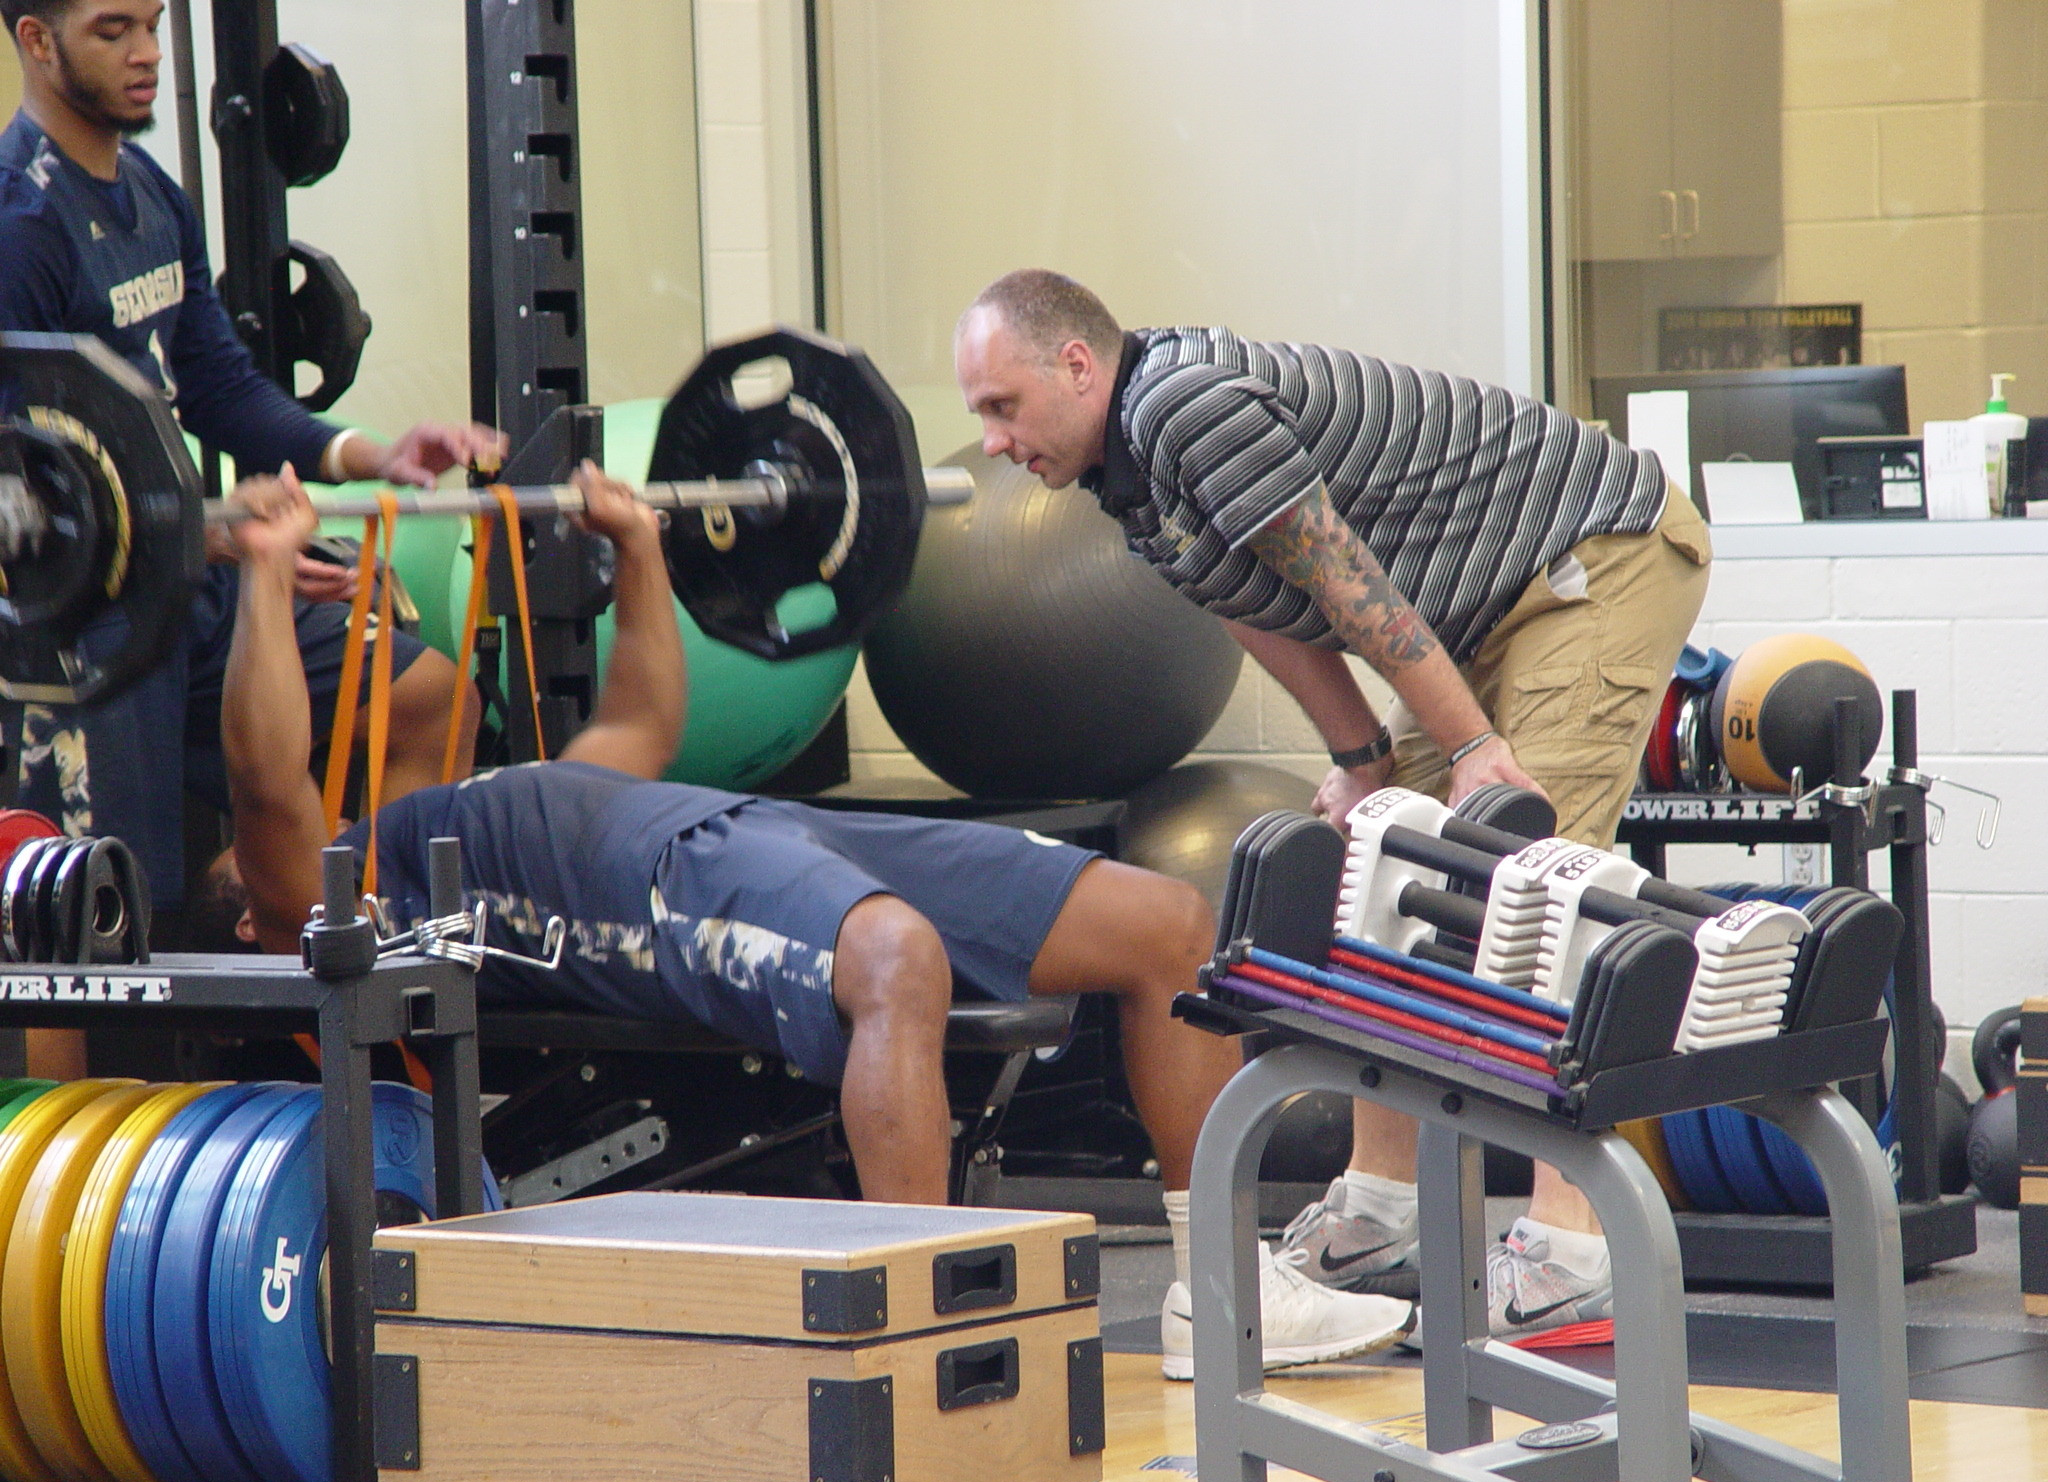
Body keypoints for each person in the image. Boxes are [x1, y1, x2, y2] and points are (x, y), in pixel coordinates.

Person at [208, 462, 1417, 1380]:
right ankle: (928, 1323)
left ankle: (1217, 1290)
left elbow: (639, 725)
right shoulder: (341, 893)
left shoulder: (468, 808)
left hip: (738, 825)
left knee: (1164, 920)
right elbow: (267, 782)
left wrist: (634, 547)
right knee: (898, 955)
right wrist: (266, 573)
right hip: (648, 890)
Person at [954, 269, 1712, 1340]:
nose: (989, 441)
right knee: (1383, 857)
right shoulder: (1121, 473)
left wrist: (1476, 749)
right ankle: (1379, 1209)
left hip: (1589, 551)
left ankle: (1573, 1245)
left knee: (1544, 878)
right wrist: (1361, 758)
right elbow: (1262, 606)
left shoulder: (1185, 406)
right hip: (1477, 602)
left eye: (998, 406)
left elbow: (1341, 574)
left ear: (1075, 366)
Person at [0, 0, 498, 941]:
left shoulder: (151, 192)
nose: (146, 53)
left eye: (152, 25)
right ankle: (93, 1096)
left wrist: (369, 455)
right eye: (113, 32)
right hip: (80, 627)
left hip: (183, 581)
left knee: (430, 699)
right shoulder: (21, 228)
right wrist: (210, 535)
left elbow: (222, 387)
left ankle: (361, 968)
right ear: (36, 40)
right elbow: (19, 497)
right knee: (99, 905)